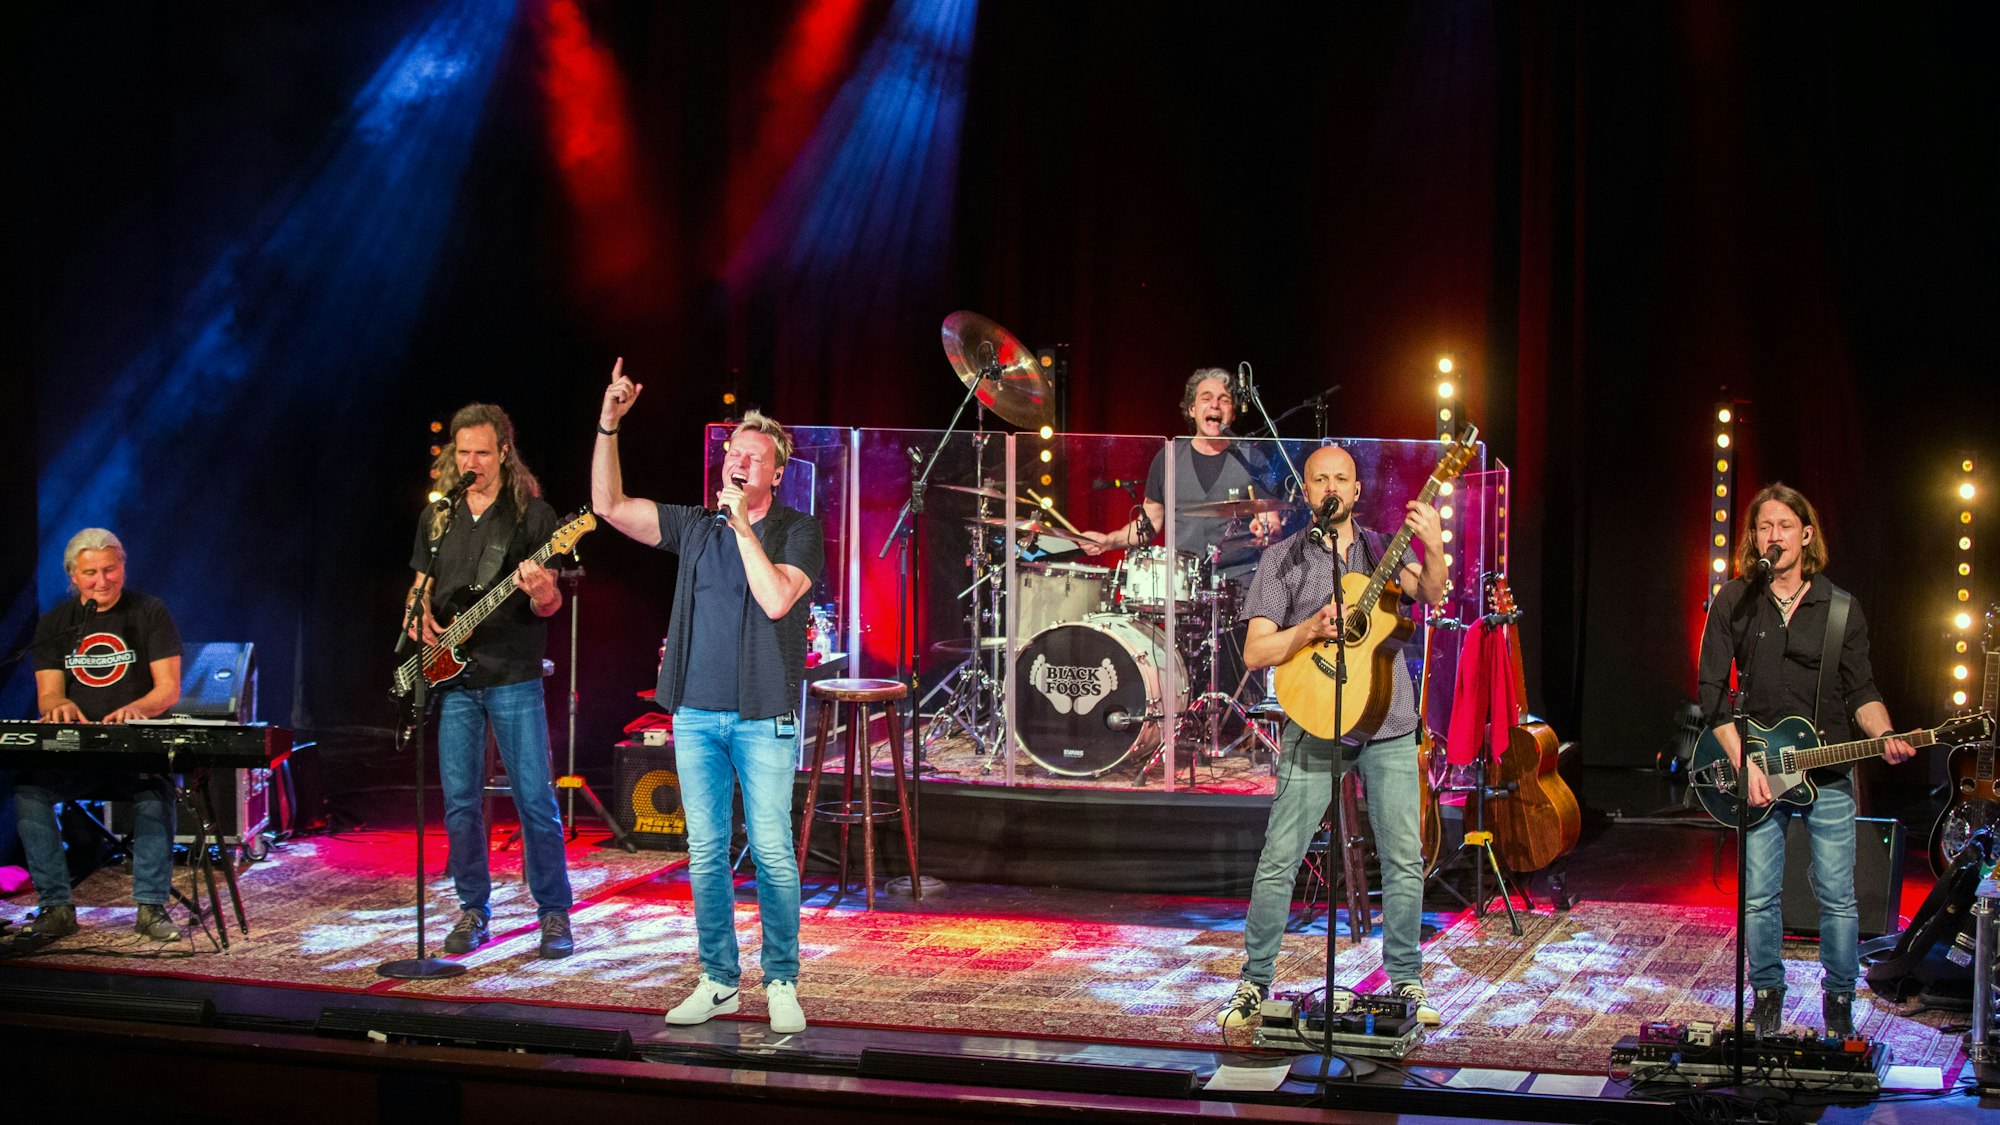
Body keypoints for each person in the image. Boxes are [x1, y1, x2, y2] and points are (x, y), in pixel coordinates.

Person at [592, 359, 822, 1036]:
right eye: (733, 452)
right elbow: (609, 507)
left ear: (776, 472)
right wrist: (608, 424)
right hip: (695, 714)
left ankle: (780, 977)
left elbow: (778, 597)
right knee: (705, 850)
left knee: (774, 849)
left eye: (754, 457)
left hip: (763, 716)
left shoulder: (797, 530)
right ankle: (719, 979)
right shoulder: (694, 526)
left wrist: (744, 526)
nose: (738, 462)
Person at [1222, 444, 1447, 1029]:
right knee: (1280, 858)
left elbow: (1431, 594)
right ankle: (1254, 984)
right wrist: (1309, 628)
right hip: (1314, 719)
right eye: (1319, 478)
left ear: (1355, 489)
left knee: (1403, 857)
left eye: (1340, 478)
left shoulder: (1380, 549)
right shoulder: (1284, 559)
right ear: (1308, 488)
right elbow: (1255, 650)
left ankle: (1405, 984)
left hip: (1387, 721)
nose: (1330, 487)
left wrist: (1436, 543)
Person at [1697, 482, 1911, 1037]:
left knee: (1837, 895)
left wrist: (1884, 732)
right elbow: (1713, 692)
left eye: (1784, 527)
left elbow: (1861, 690)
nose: (1774, 537)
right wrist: (1744, 764)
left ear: (1805, 535)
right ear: (1754, 538)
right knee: (1759, 894)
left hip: (1828, 770)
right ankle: (1767, 995)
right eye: (1764, 528)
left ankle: (1838, 1000)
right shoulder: (1734, 602)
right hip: (1758, 769)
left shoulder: (1840, 608)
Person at [405, 403, 575, 959]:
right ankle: (473, 909)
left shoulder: (533, 516)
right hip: (450, 678)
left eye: (482, 451)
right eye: (463, 453)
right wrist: (415, 614)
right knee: (458, 801)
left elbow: (550, 604)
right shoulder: (440, 516)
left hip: (512, 674)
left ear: (504, 451)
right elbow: (419, 586)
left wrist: (543, 593)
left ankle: (554, 914)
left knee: (534, 798)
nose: (472, 462)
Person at [15, 528, 184, 944]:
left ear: (122, 567)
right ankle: (56, 906)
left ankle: (151, 907)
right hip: (77, 755)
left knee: (155, 792)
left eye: (110, 570)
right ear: (73, 576)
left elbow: (168, 689)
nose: (102, 580)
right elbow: (48, 693)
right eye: (90, 573)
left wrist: (138, 708)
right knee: (28, 792)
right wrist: (59, 705)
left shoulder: (150, 612)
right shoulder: (56, 624)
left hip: (134, 752)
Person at [1080, 368, 1282, 575]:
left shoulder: (1252, 459)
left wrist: (1267, 528)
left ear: (1233, 413)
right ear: (1192, 409)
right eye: (1207, 398)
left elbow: (1270, 519)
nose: (1215, 405)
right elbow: (1150, 522)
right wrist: (1108, 541)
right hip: (1183, 583)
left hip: (1241, 580)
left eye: (1224, 400)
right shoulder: (1167, 458)